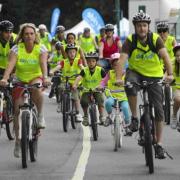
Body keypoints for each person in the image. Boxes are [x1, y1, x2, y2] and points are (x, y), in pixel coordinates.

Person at [115, 11, 173, 159]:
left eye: (145, 25)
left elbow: (166, 57)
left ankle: (159, 144)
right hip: (136, 73)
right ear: (135, 27)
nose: (142, 28)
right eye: (139, 26)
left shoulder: (155, 39)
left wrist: (170, 75)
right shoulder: (130, 40)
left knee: (159, 111)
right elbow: (122, 60)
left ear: (148, 27)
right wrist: (118, 77)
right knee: (129, 85)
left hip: (154, 74)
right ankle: (134, 118)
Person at [0, 23, 50, 158]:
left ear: (35, 35)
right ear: (22, 35)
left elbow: (43, 64)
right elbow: (10, 65)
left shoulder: (41, 48)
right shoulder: (16, 49)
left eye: (31, 33)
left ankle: (39, 116)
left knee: (38, 89)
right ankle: (17, 141)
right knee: (16, 110)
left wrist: (45, 77)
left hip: (35, 77)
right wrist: (4, 79)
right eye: (26, 34)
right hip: (20, 79)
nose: (29, 36)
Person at [49, 44, 84, 121]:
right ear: (67, 53)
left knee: (75, 96)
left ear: (76, 53)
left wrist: (84, 71)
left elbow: (82, 67)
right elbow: (58, 67)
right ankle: (61, 103)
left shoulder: (78, 60)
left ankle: (77, 113)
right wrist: (52, 71)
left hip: (75, 82)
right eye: (70, 52)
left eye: (73, 52)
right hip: (66, 81)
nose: (72, 54)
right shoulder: (64, 61)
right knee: (60, 88)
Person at [101, 53, 132, 135]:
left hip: (123, 97)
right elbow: (104, 81)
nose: (117, 67)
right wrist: (100, 86)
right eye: (115, 65)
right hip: (112, 95)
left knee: (125, 108)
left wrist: (131, 85)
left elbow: (131, 82)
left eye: (119, 65)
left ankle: (127, 125)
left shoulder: (126, 74)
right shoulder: (110, 73)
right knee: (108, 102)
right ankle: (109, 116)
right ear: (112, 66)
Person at [73, 52, 106, 126]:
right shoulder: (84, 70)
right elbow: (79, 77)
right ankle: (85, 117)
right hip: (86, 90)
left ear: (96, 62)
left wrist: (104, 86)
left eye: (93, 61)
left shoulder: (100, 70)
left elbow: (106, 79)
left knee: (100, 100)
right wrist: (75, 84)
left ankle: (101, 116)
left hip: (97, 90)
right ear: (87, 62)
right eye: (89, 61)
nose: (91, 63)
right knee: (84, 101)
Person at [171, 44, 180, 130]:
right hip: (177, 87)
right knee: (178, 99)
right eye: (177, 56)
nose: (179, 58)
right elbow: (167, 73)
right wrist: (165, 79)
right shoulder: (173, 62)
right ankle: (174, 116)